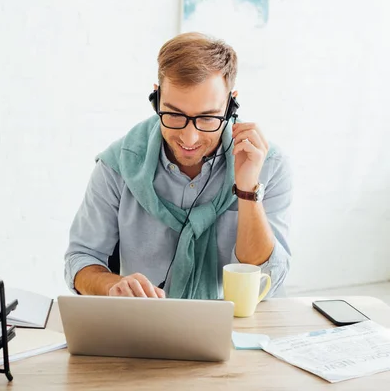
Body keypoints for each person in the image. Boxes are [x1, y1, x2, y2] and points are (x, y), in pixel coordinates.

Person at [64, 32, 292, 299]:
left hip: (238, 327)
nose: (189, 138)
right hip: (146, 326)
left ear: (231, 105)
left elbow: (266, 281)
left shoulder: (268, 164)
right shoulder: (118, 165)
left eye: (207, 118)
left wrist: (247, 189)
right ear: (156, 99)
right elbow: (80, 259)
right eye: (173, 114)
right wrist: (112, 286)